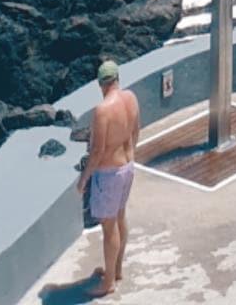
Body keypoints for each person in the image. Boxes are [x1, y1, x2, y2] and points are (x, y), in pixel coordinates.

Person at [77, 60, 140, 297]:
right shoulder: (131, 98)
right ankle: (117, 270)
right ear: (117, 78)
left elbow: (97, 151)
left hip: (109, 174)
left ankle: (108, 282)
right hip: (127, 167)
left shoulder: (102, 111)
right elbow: (135, 131)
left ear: (101, 84)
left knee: (109, 226)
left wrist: (84, 180)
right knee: (120, 217)